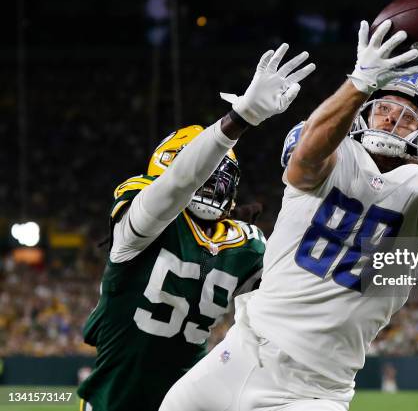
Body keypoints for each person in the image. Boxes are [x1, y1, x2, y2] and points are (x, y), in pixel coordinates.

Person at [161, 18, 418, 411]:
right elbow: (308, 156)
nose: (393, 118)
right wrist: (361, 79)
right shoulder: (333, 153)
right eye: (384, 106)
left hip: (312, 389)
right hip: (241, 351)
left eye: (410, 114)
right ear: (366, 109)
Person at [76, 43, 315, 411]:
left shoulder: (247, 243)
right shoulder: (145, 216)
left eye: (222, 177)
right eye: (206, 171)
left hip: (191, 395)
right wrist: (240, 118)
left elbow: (292, 293)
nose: (212, 184)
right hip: (116, 396)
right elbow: (174, 187)